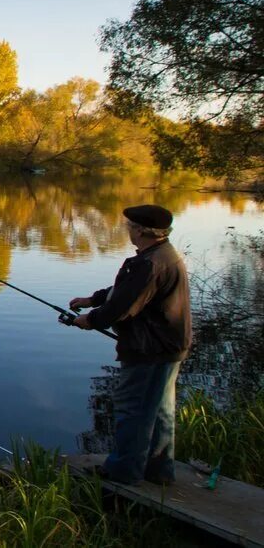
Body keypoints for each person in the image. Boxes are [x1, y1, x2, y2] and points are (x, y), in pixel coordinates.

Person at [67, 204, 191, 486]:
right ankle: (158, 472)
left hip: (150, 349)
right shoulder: (161, 255)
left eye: (129, 226)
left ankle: (124, 472)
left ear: (141, 231)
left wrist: (90, 320)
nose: (127, 230)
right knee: (159, 410)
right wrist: (94, 299)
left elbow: (124, 306)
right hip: (166, 347)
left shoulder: (151, 263)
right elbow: (125, 291)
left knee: (133, 409)